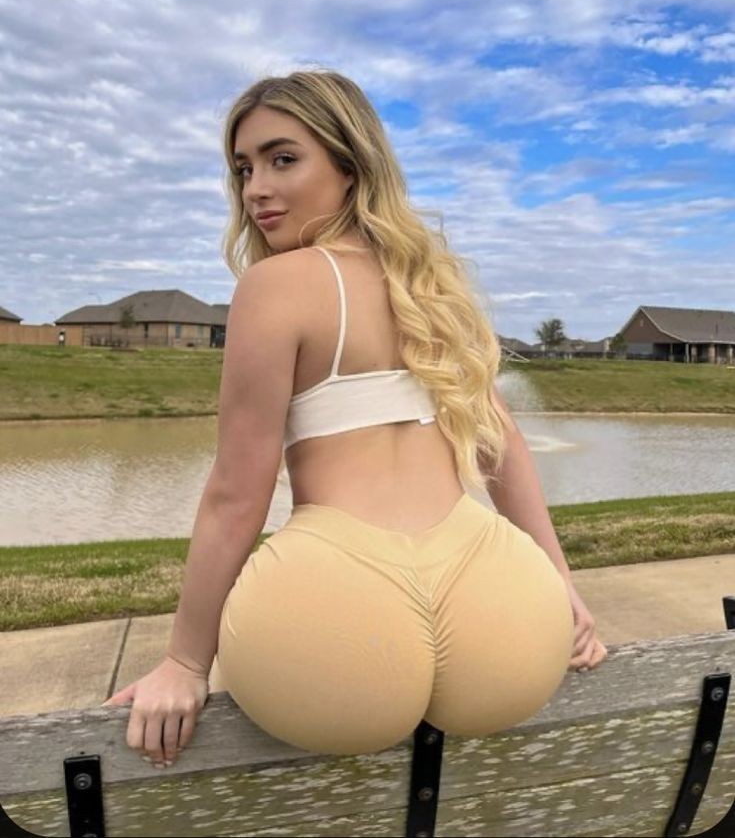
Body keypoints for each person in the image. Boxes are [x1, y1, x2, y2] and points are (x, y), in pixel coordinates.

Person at [104, 69, 607, 768]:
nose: (255, 189)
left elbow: (236, 492)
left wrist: (186, 662)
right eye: (244, 169)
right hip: (502, 605)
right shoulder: (433, 286)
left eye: (283, 159)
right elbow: (502, 443)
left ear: (349, 164)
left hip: (339, 602)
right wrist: (558, 587)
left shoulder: (276, 285)